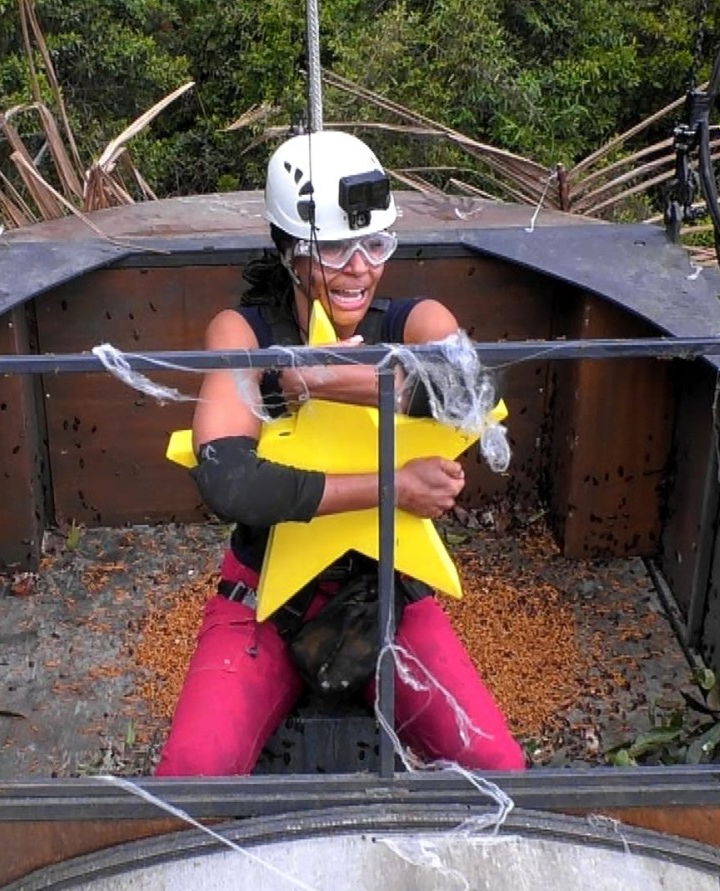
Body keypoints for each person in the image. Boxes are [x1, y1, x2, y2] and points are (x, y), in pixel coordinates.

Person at [154, 130, 524, 777]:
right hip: (265, 597)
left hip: (392, 591)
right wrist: (393, 488)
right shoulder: (243, 332)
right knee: (192, 773)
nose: (359, 267)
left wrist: (319, 378)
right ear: (290, 252)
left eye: (376, 244)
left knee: (496, 764)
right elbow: (231, 481)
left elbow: (474, 392)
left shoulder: (415, 321)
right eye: (333, 248)